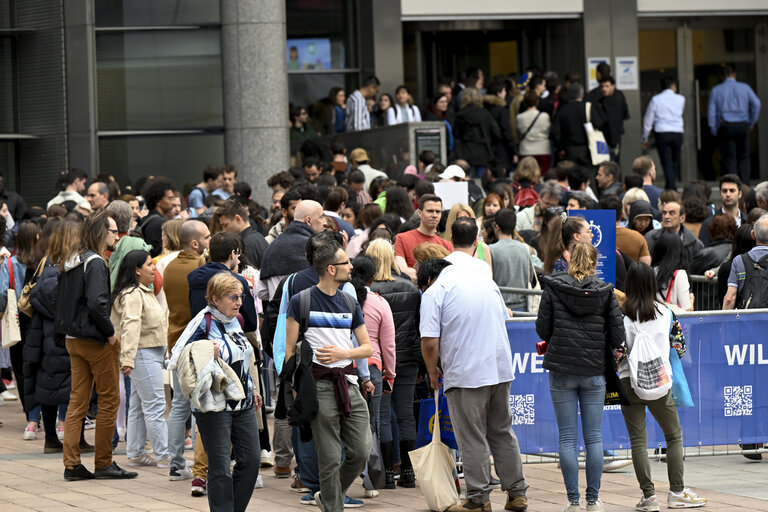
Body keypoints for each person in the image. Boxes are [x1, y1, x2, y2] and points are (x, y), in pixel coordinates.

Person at [418, 258, 529, 512]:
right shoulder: (485, 282)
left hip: (466, 373)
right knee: (502, 431)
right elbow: (504, 317)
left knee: (471, 435)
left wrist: (432, 371)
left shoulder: (435, 292)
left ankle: (478, 499)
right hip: (499, 369)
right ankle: (517, 493)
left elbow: (430, 343)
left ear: (427, 280)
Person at [284, 242, 373, 512]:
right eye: (346, 263)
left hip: (349, 383)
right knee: (330, 457)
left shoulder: (349, 301)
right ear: (331, 269)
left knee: (361, 451)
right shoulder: (302, 300)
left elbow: (367, 347)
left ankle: (327, 494)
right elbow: (290, 350)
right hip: (319, 385)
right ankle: (333, 505)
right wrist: (295, 389)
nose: (351, 267)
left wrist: (342, 353)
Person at [536, 242, 625, 512]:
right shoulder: (606, 292)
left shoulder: (552, 288)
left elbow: (542, 329)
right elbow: (618, 335)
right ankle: (593, 500)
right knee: (595, 438)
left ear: (569, 259)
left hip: (562, 370)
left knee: (566, 438)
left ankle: (573, 501)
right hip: (595, 370)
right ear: (595, 263)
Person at [54, 211, 137, 480]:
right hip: (93, 339)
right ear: (102, 233)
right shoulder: (97, 262)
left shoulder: (72, 260)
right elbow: (97, 303)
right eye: (113, 231)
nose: (117, 235)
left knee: (77, 401)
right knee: (109, 399)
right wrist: (110, 332)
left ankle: (72, 464)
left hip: (72, 339)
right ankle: (104, 462)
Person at [171, 273, 262, 512]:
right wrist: (202, 350)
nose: (239, 302)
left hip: (243, 403)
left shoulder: (238, 320)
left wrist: (252, 387)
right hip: (214, 405)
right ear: (215, 298)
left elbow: (244, 358)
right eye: (232, 297)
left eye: (240, 297)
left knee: (252, 460)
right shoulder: (203, 322)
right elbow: (177, 357)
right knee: (220, 467)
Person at [621, 262, 708, 510]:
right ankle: (677, 492)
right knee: (673, 435)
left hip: (629, 381)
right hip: (659, 380)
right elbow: (679, 347)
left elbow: (616, 353)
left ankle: (649, 497)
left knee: (637, 439)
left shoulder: (620, 316)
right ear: (651, 284)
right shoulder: (666, 312)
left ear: (628, 285)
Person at [366, 238, 422, 489]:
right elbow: (419, 327)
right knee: (406, 414)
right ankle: (409, 473)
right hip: (409, 358)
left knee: (383, 416)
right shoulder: (410, 288)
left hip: (380, 361)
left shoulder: (370, 292)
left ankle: (388, 472)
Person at [111, 250, 170, 467]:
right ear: (137, 270)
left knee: (137, 405)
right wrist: (127, 358)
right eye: (148, 264)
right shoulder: (133, 294)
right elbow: (130, 324)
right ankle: (165, 456)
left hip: (148, 352)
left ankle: (135, 452)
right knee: (155, 405)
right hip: (142, 354)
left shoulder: (142, 292)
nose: (154, 267)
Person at [164, 220, 210, 485]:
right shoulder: (199, 267)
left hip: (175, 341)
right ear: (195, 243)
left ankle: (175, 464)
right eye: (206, 236)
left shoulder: (169, 266)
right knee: (200, 405)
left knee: (180, 404)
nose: (209, 240)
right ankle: (199, 465)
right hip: (196, 343)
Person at [707, 64, 761, 185]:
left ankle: (733, 187)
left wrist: (714, 129)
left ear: (722, 77)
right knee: (744, 156)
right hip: (743, 124)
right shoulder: (745, 87)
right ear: (734, 75)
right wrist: (752, 122)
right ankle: (745, 187)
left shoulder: (716, 90)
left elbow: (711, 112)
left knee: (729, 159)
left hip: (726, 126)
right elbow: (757, 104)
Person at [394, 194, 453, 281]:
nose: (434, 215)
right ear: (420, 213)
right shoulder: (402, 238)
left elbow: (450, 274)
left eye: (438, 211)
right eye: (430, 211)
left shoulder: (446, 245)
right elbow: (402, 271)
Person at [642, 76, 685, 191]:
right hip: (677, 133)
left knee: (667, 163)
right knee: (674, 163)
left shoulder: (656, 99)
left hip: (662, 133)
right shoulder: (681, 99)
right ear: (673, 86)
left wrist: (645, 137)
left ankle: (672, 189)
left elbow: (648, 120)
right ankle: (671, 187)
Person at [489, 208, 536, 311]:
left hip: (500, 307)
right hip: (524, 306)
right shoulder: (526, 248)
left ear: (496, 227)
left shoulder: (491, 250)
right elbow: (530, 277)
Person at [551, 83, 605, 167]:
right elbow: (599, 123)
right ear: (582, 95)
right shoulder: (588, 107)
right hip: (588, 148)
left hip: (570, 149)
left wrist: (560, 148)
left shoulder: (563, 110)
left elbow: (556, 132)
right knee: (588, 173)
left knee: (572, 174)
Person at [723, 215, 768, 310]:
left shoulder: (739, 260)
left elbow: (729, 299)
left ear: (753, 235)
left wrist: (725, 323)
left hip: (746, 319)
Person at [454, 87, 500, 179]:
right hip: (483, 151)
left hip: (465, 151)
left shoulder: (460, 115)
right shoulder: (485, 114)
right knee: (482, 180)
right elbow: (496, 132)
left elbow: (457, 134)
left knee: (466, 179)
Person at [645, 200, 703, 264]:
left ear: (682, 218)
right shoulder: (650, 237)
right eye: (664, 213)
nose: (666, 216)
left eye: (671, 213)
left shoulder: (694, 244)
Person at [216, 200, 268, 269]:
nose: (223, 230)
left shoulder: (247, 243)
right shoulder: (257, 237)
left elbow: (248, 275)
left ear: (238, 219)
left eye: (225, 225)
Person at [698, 174, 746, 246]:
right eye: (724, 191)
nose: (728, 194)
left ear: (740, 194)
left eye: (732, 191)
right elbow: (704, 252)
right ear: (720, 193)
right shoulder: (708, 223)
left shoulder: (748, 221)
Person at [652, 232, 693, 311]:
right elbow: (687, 309)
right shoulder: (680, 274)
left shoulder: (649, 271)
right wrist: (691, 298)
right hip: (670, 321)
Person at [483, 77, 516, 169]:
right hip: (502, 150)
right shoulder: (502, 110)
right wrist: (514, 151)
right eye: (504, 91)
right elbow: (507, 131)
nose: (506, 93)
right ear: (498, 93)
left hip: (487, 150)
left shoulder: (483, 108)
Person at [138, 178, 176, 257]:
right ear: (158, 201)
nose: (173, 202)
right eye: (170, 198)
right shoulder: (161, 223)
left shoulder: (146, 220)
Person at [517, 91, 551, 172]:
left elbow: (518, 133)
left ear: (525, 103)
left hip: (525, 150)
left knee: (527, 175)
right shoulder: (545, 116)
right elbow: (548, 130)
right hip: (543, 149)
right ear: (537, 102)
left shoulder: (520, 117)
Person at [597, 76, 629, 161]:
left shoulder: (610, 101)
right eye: (602, 86)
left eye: (607, 86)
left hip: (611, 137)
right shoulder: (619, 95)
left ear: (612, 86)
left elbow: (612, 121)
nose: (604, 89)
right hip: (612, 136)